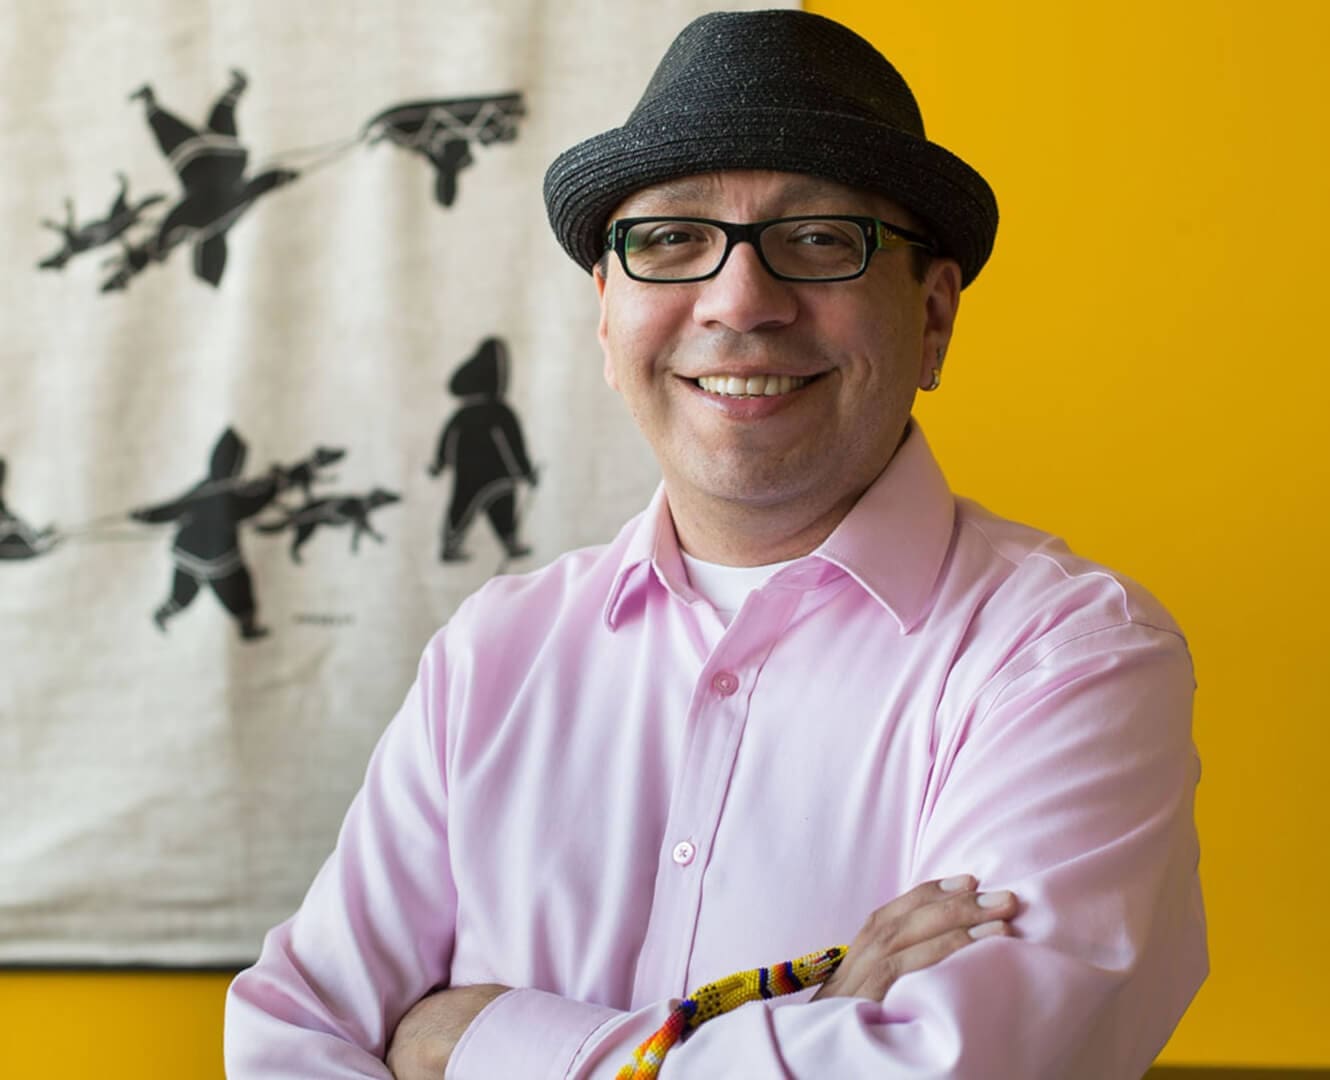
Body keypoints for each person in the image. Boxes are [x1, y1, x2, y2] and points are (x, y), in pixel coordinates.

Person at [224, 10, 1206, 1078]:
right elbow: (289, 1038)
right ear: (608, 316)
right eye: (670, 240)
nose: (740, 302)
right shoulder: (493, 653)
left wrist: (475, 1041)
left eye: (822, 239)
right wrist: (806, 1030)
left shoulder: (1068, 656)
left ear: (931, 317)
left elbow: (942, 1068)